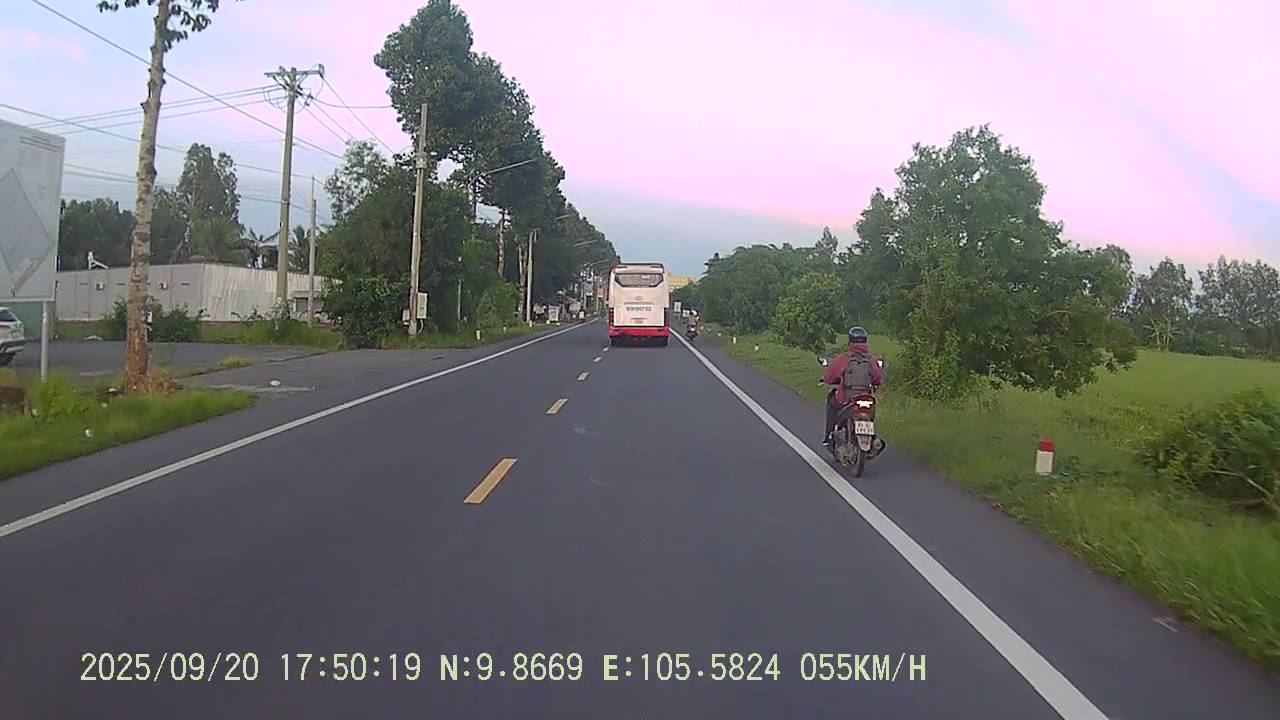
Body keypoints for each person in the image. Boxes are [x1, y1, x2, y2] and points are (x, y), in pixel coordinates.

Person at [822, 326, 884, 446]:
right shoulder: (871, 360)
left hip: (846, 399)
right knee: (871, 412)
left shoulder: (844, 359)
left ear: (850, 341)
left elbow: (830, 377)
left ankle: (828, 435)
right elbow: (878, 379)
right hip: (866, 398)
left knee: (831, 403)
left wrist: (828, 380)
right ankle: (872, 436)